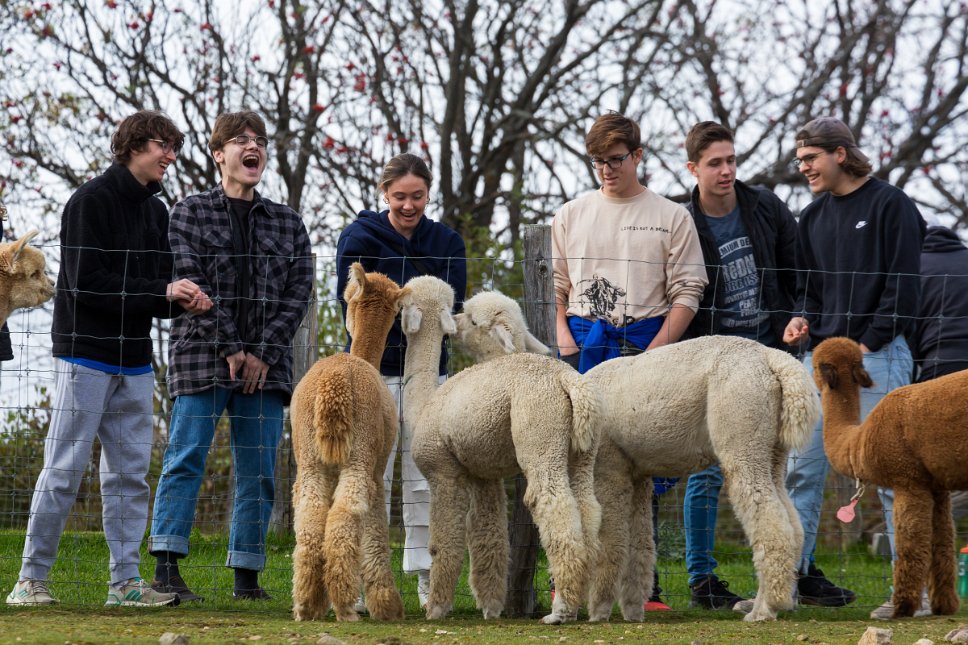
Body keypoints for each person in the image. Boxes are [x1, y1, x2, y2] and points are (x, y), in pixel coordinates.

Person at [7, 110, 211, 607]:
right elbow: (85, 284)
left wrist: (179, 298)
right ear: (135, 145)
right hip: (85, 356)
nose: (170, 156)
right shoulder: (88, 202)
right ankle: (29, 582)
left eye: (174, 149)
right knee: (64, 468)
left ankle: (125, 584)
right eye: (164, 146)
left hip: (136, 361)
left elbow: (151, 292)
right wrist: (160, 289)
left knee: (129, 475)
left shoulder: (156, 213)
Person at [149, 111, 313, 601]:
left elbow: (298, 292)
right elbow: (188, 279)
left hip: (267, 367)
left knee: (259, 469)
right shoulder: (189, 212)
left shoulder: (288, 222)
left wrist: (259, 354)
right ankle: (167, 568)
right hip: (202, 357)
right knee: (185, 457)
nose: (254, 147)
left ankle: (247, 576)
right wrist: (231, 348)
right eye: (241, 140)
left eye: (260, 140)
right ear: (218, 153)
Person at [552, 111, 707, 610]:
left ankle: (642, 585)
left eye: (616, 159)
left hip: (646, 345)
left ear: (638, 156)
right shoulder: (571, 214)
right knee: (580, 466)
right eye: (598, 161)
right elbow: (556, 287)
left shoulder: (671, 216)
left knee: (643, 470)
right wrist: (564, 340)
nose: (606, 169)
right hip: (585, 346)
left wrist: (658, 351)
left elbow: (689, 289)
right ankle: (570, 582)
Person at [782, 116, 925, 617]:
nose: (803, 168)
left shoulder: (893, 205)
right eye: (800, 161)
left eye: (810, 159)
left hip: (879, 359)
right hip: (823, 367)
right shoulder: (811, 216)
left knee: (892, 478)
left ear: (840, 154)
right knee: (800, 472)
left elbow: (905, 286)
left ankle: (912, 595)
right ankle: (785, 586)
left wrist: (868, 343)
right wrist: (802, 321)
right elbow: (810, 291)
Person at [335, 152, 466, 609]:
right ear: (383, 193)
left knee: (422, 476)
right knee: (367, 474)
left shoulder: (446, 241)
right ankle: (355, 580)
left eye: (418, 196)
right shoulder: (358, 237)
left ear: (428, 194)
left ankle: (427, 580)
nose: (409, 206)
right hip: (375, 371)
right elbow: (351, 301)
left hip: (428, 374)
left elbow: (451, 302)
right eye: (399, 197)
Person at [680, 121, 799, 610]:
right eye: (715, 163)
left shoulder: (766, 206)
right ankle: (702, 578)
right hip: (713, 363)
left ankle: (784, 579)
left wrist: (799, 316)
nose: (727, 170)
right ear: (693, 168)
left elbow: (799, 270)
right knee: (707, 471)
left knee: (773, 471)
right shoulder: (681, 220)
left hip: (770, 354)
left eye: (731, 160)